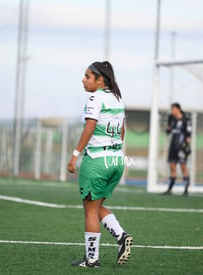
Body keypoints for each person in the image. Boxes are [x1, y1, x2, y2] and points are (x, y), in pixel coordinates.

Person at [67, 61, 132, 268]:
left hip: (97, 161)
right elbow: (122, 131)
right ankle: (121, 236)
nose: (83, 80)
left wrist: (75, 154)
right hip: (116, 160)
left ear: (100, 79)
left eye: (87, 77)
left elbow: (89, 128)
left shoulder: (95, 98)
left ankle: (92, 260)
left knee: (90, 210)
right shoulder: (117, 99)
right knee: (96, 207)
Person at [163, 103, 192, 195]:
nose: (172, 111)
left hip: (181, 146)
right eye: (172, 109)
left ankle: (186, 190)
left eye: (174, 109)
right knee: (172, 166)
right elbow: (168, 131)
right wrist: (167, 129)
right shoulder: (171, 118)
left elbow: (188, 136)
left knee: (183, 167)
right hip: (173, 145)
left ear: (179, 109)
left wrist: (185, 146)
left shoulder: (186, 120)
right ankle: (170, 189)